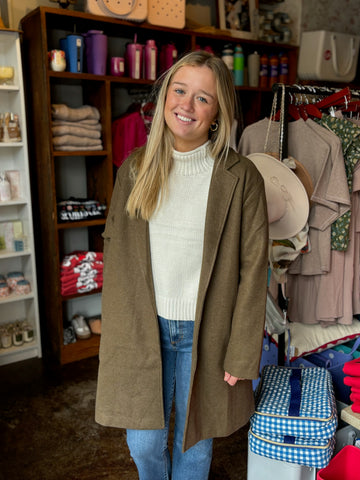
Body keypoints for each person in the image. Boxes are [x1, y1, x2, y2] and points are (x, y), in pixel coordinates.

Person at [95, 50, 269, 480]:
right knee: (144, 442)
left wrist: (242, 350)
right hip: (144, 326)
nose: (187, 106)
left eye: (203, 98)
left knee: (193, 444)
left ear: (218, 112)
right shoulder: (134, 169)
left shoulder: (241, 175)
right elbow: (116, 258)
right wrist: (114, 331)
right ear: (165, 95)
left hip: (207, 331)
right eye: (180, 90)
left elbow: (253, 268)